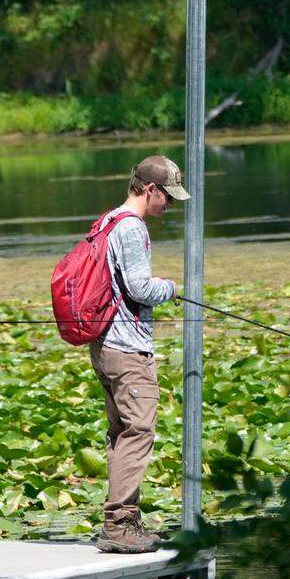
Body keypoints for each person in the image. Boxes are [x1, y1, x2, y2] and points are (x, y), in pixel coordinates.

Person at [91, 155, 190, 554]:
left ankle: (124, 520)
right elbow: (138, 288)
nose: (169, 205)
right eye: (167, 196)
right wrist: (170, 287)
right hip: (128, 348)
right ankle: (119, 524)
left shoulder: (108, 219)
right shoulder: (132, 228)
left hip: (103, 346)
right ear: (150, 189)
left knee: (121, 434)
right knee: (139, 432)